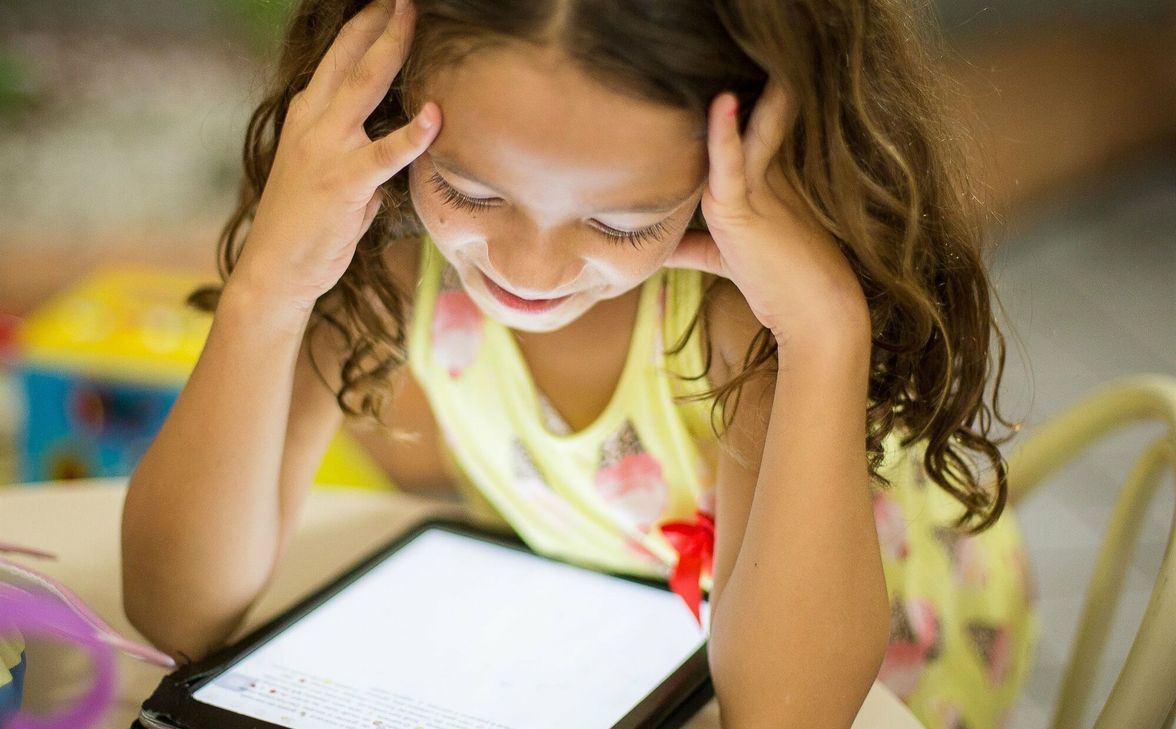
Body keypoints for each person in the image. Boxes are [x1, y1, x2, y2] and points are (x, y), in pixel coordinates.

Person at [121, 0, 1037, 726]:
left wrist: (826, 329)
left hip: (895, 675)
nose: (530, 270)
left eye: (621, 221)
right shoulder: (390, 257)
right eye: (468, 189)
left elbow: (782, 715)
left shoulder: (745, 317)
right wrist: (269, 287)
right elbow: (176, 610)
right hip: (618, 633)